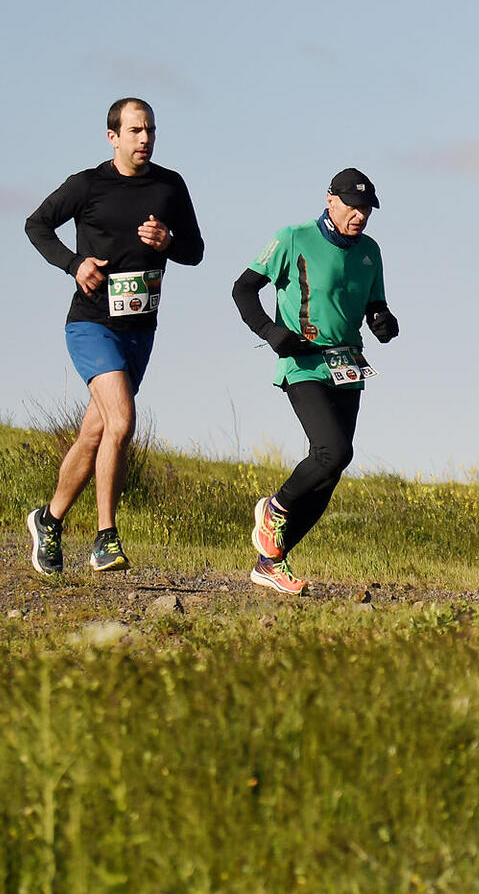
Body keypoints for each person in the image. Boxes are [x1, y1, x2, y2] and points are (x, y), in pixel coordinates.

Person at [23, 98, 204, 575]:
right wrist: (73, 263)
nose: (145, 139)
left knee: (95, 432)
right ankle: (106, 537)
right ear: (113, 137)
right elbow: (36, 225)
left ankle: (49, 519)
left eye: (151, 131)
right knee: (122, 422)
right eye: (135, 131)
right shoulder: (88, 185)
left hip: (139, 330)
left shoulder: (170, 186)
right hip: (90, 324)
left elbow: (196, 251)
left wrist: (169, 242)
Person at [231, 169, 398, 595]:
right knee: (332, 450)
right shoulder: (293, 237)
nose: (359, 216)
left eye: (366, 210)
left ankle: (270, 561)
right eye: (352, 206)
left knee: (331, 469)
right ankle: (274, 510)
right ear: (330, 200)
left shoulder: (370, 252)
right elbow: (243, 289)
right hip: (302, 362)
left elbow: (374, 304)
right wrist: (270, 332)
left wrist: (383, 321)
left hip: (347, 365)